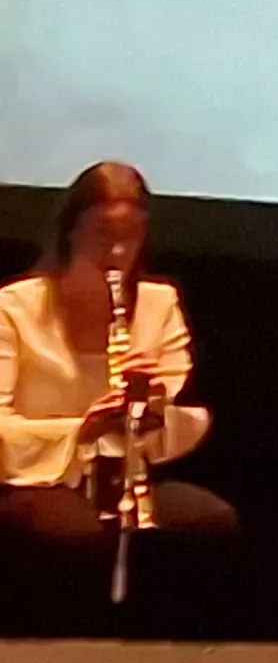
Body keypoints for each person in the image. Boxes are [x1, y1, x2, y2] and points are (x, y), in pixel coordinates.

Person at [0, 164, 240, 624]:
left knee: (210, 520)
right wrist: (82, 431)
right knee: (77, 535)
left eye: (130, 237)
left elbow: (178, 415)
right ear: (70, 232)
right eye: (103, 234)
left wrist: (150, 408)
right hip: (39, 478)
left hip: (126, 477)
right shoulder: (16, 308)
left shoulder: (158, 303)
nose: (116, 252)